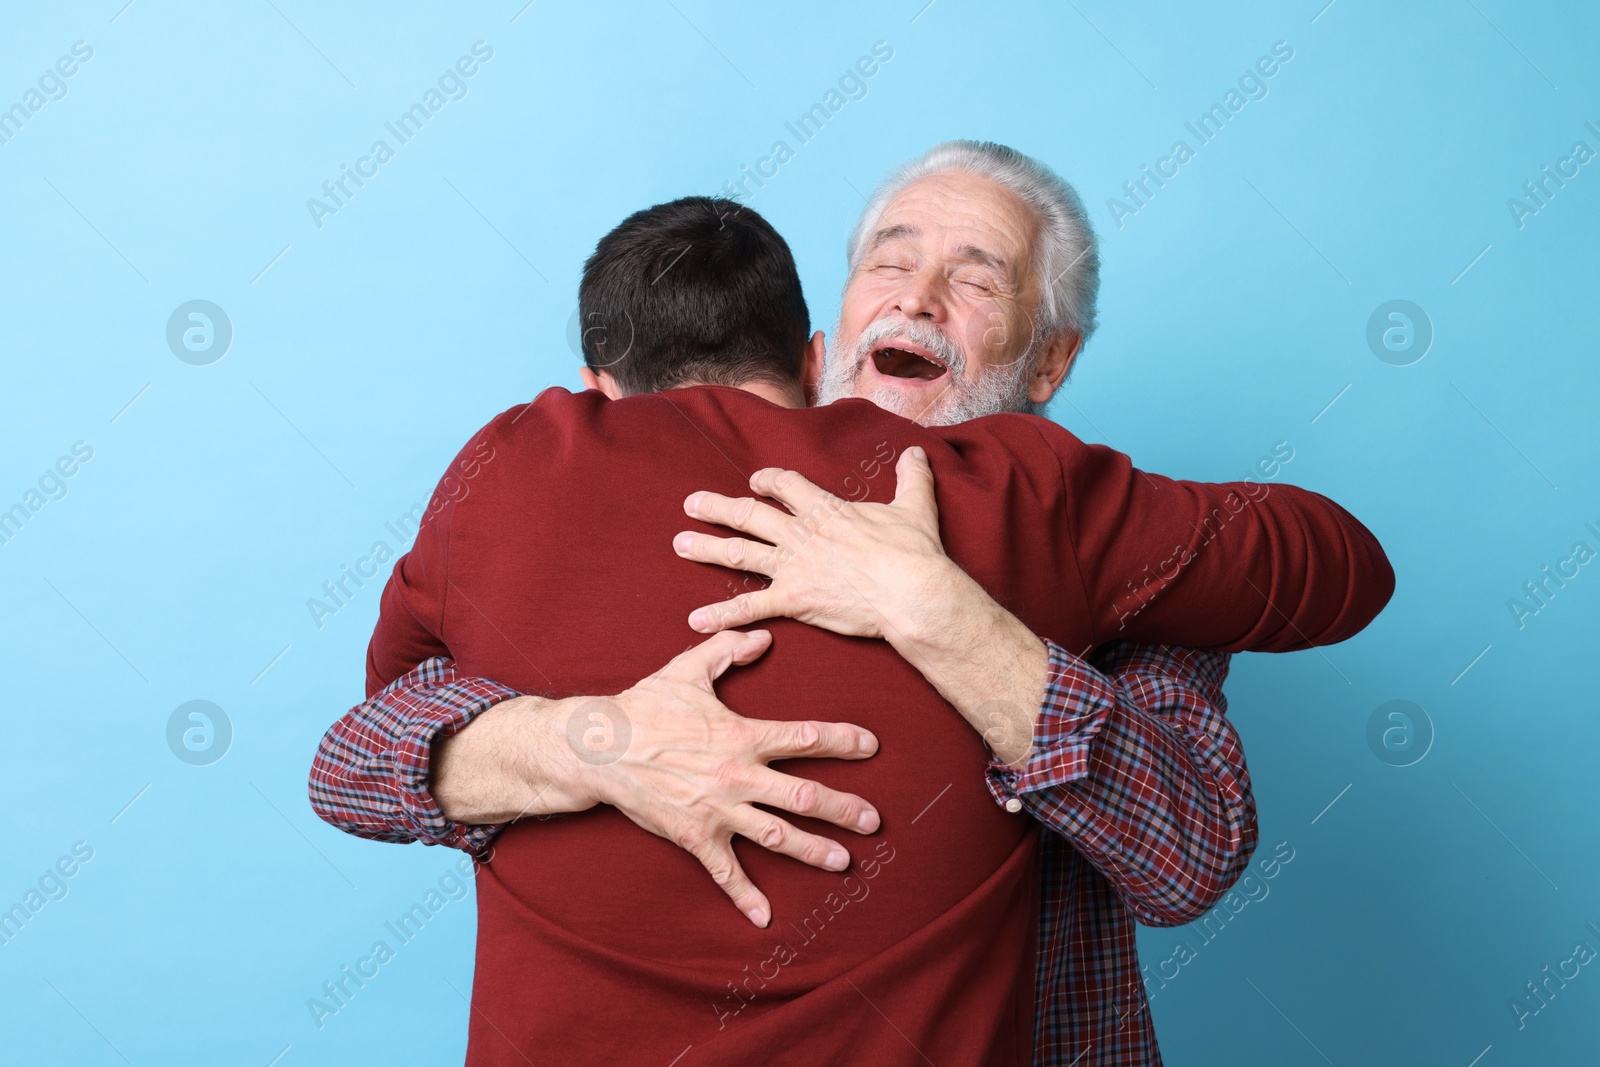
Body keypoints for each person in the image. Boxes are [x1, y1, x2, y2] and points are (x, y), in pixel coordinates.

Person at [312, 143, 1394, 1065]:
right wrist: (594, 741)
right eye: (891, 260)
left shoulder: (1084, 528)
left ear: (1050, 357)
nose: (917, 296)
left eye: (976, 277)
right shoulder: (584, 498)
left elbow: (1188, 858)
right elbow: (363, 752)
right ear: (822, 345)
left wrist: (943, 612)